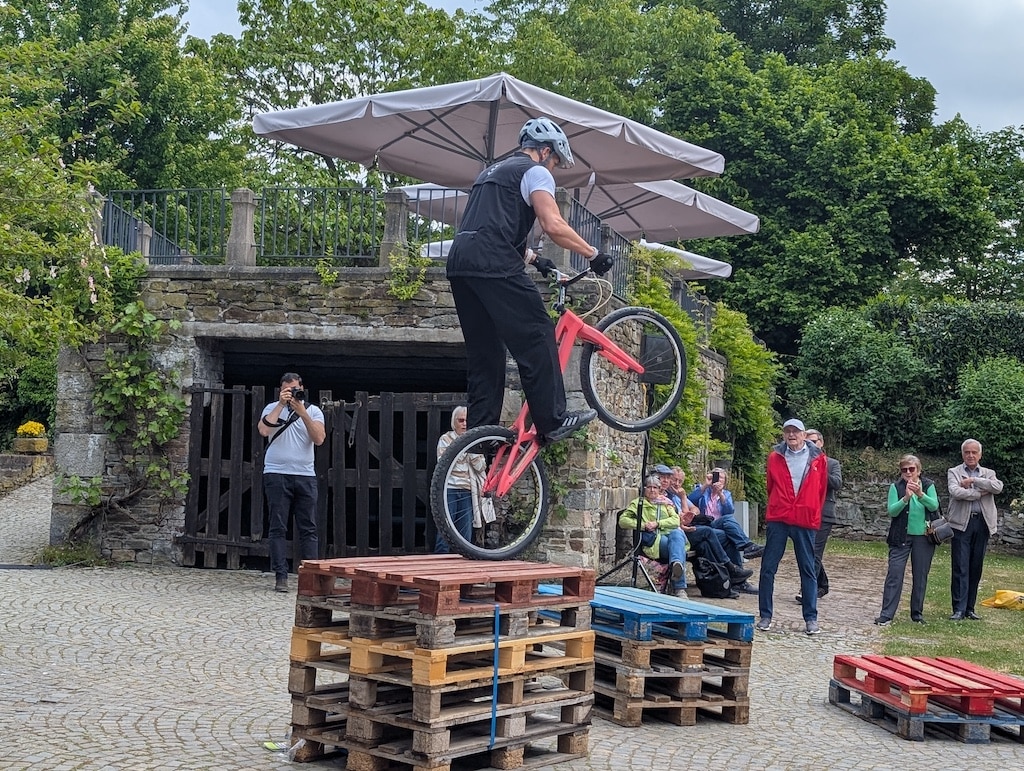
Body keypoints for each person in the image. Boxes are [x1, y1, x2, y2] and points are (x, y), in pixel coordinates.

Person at [446, 117, 614, 444]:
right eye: (556, 163)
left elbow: (491, 227)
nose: (554, 170)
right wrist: (592, 254)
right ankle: (553, 420)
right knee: (537, 334)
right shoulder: (535, 172)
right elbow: (553, 224)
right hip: (493, 261)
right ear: (546, 151)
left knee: (486, 354)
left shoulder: (490, 173)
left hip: (461, 263)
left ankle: (480, 439)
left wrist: (538, 261)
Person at [757, 418, 829, 635]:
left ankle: (811, 618)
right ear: (783, 434)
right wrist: (779, 504)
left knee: (807, 568)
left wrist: (812, 510)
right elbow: (770, 486)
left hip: (804, 518)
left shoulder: (818, 459)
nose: (791, 435)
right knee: (768, 567)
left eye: (795, 431)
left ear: (804, 435)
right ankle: (765, 616)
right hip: (779, 516)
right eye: (787, 431)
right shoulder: (774, 457)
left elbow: (821, 490)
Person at [257, 373, 326, 593]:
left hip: (305, 475)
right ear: (281, 390)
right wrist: (281, 404)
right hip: (276, 473)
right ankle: (281, 576)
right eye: (288, 390)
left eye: (295, 389)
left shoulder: (314, 411)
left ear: (302, 388)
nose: (293, 393)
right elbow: (264, 430)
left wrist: (302, 412)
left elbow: (319, 439)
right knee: (278, 527)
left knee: (309, 527)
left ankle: (311, 578)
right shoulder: (271, 408)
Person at [874, 454, 939, 626]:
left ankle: (917, 614)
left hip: (924, 536)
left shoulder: (928, 485)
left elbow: (934, 505)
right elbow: (892, 511)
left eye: (912, 469)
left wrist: (920, 494)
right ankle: (886, 614)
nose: (908, 472)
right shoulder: (896, 487)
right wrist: (906, 498)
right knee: (894, 574)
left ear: (919, 470)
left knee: (920, 575)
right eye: (904, 470)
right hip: (900, 536)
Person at [947, 439, 1003, 621]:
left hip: (982, 524)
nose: (970, 455)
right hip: (961, 525)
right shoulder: (954, 472)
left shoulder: (989, 473)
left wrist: (973, 480)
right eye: (967, 452)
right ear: (962, 454)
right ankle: (958, 609)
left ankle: (970, 608)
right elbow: (956, 492)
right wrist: (979, 492)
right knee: (960, 566)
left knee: (975, 566)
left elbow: (998, 487)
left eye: (974, 452)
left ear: (980, 454)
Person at [688, 466, 764, 595]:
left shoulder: (726, 494)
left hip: (719, 526)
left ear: (725, 481)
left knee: (729, 529)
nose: (718, 479)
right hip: (705, 525)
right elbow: (690, 500)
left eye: (721, 477)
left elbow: (729, 510)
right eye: (715, 476)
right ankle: (746, 548)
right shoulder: (702, 490)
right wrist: (705, 485)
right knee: (728, 523)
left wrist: (720, 494)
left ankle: (739, 580)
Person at [619, 475, 689, 598]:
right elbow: (623, 521)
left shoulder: (665, 503)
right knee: (678, 549)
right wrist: (643, 525)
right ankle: (680, 588)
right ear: (644, 489)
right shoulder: (639, 503)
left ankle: (676, 564)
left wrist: (658, 523)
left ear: (659, 489)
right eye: (649, 487)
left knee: (677, 534)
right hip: (655, 541)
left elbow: (676, 521)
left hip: (671, 537)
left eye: (655, 487)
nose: (652, 490)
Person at [796, 429, 843, 604]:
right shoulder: (800, 463)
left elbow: (837, 483)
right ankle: (822, 584)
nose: (811, 445)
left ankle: (806, 590)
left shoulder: (832, 463)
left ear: (821, 443)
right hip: (805, 513)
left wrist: (819, 469)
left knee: (814, 551)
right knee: (806, 550)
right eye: (807, 442)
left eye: (814, 442)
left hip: (823, 514)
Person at [433, 406, 487, 553]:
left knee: (465, 532)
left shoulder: (475, 441)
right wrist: (464, 448)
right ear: (454, 422)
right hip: (449, 489)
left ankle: (463, 561)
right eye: (461, 420)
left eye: (467, 421)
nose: (464, 424)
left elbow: (481, 467)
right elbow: (443, 463)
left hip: (467, 490)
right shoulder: (446, 439)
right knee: (445, 529)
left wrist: (471, 451)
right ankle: (440, 560)